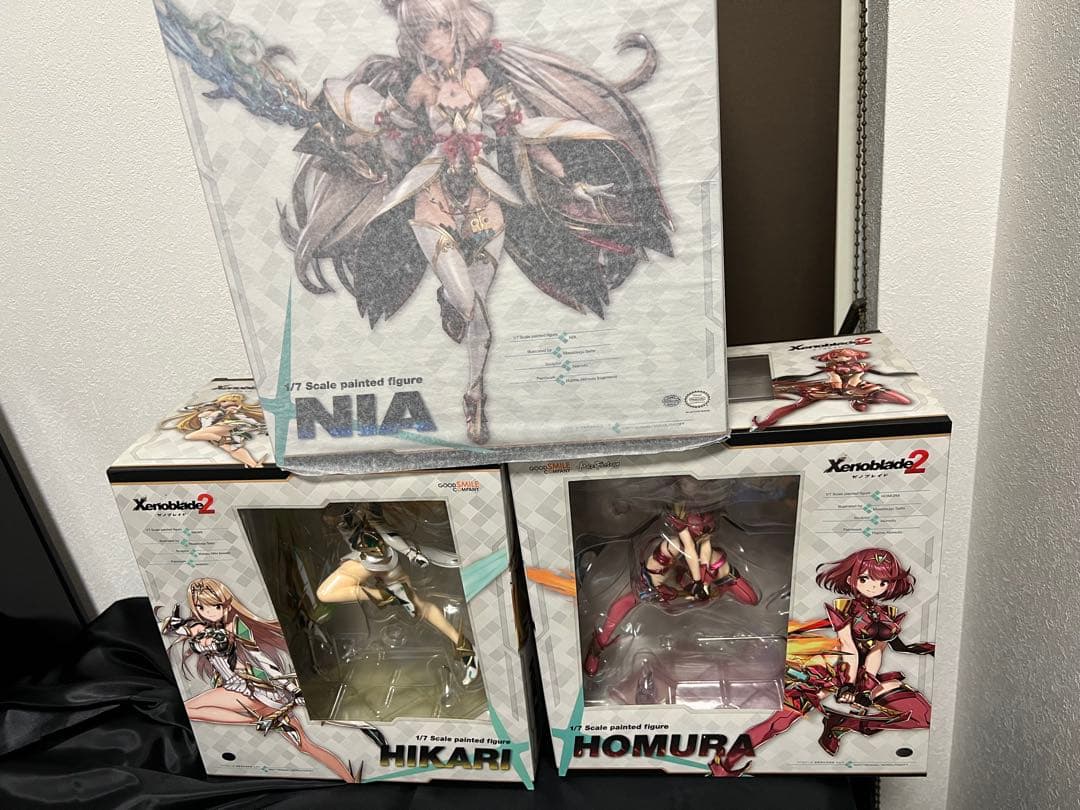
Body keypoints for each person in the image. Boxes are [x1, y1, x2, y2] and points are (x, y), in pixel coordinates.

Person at [711, 548, 934, 775]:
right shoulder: (845, 608)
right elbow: (848, 646)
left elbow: (877, 651)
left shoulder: (888, 614)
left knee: (923, 715)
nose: (873, 586)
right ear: (852, 579)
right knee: (781, 721)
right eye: (865, 579)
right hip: (833, 670)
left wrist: (867, 684)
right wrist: (847, 686)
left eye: (882, 582)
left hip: (863, 674)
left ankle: (843, 723)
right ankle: (725, 764)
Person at [161, 578, 356, 782]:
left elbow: (262, 661)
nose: (207, 612)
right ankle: (351, 780)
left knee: (187, 709)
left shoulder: (237, 628)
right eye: (201, 607)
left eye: (214, 606)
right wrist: (172, 624)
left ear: (226, 604)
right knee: (306, 746)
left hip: (247, 690)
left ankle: (253, 720)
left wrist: (290, 687)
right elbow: (177, 628)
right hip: (255, 696)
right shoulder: (201, 628)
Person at [583, 508, 759, 678]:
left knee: (748, 596)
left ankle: (724, 581)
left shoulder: (702, 539)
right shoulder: (674, 544)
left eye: (705, 524)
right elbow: (687, 550)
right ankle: (598, 645)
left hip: (684, 580)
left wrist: (708, 580)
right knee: (627, 603)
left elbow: (703, 550)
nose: (702, 528)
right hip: (657, 581)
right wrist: (694, 583)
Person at [162, 393, 267, 468]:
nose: (228, 403)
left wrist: (257, 424)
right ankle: (254, 465)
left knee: (190, 436)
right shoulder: (211, 410)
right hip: (211, 431)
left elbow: (244, 418)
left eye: (233, 402)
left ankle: (224, 439)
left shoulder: (230, 411)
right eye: (224, 401)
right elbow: (186, 410)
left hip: (224, 427)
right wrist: (200, 408)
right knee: (232, 449)